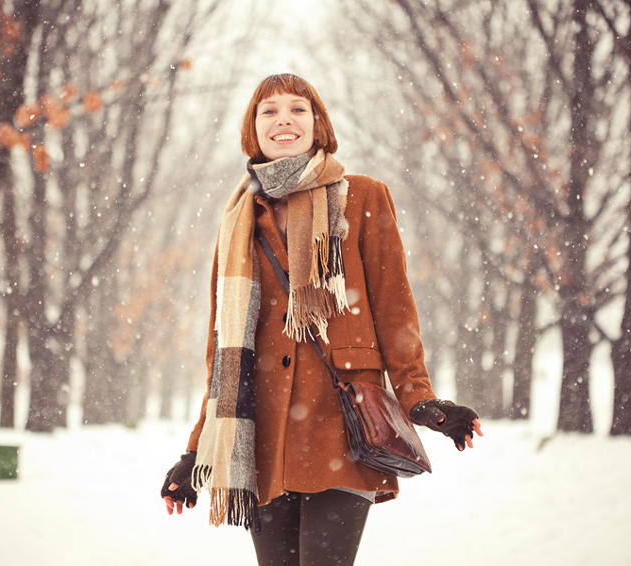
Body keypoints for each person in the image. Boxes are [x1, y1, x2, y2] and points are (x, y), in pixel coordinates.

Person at [161, 73, 482, 566]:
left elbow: (394, 309)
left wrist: (420, 399)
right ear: (253, 129)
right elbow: (222, 349)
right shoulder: (238, 221)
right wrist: (197, 451)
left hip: (342, 424)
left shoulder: (363, 197)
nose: (283, 119)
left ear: (318, 124)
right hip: (262, 433)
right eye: (268, 111)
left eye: (297, 109)